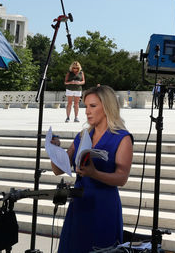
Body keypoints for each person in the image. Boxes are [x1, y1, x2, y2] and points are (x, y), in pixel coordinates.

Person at [51, 86, 133, 253]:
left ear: (107, 107)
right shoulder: (83, 135)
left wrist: (94, 173)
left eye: (93, 106)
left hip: (104, 205)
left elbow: (122, 178)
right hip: (80, 203)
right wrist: (54, 151)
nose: (87, 111)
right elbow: (58, 170)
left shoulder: (122, 138)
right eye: (86, 106)